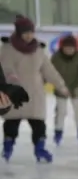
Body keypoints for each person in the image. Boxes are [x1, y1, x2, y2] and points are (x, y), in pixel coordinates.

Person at [1, 15, 67, 164]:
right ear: (19, 33)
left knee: (38, 124)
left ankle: (40, 148)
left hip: (35, 93)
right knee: (11, 123)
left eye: (31, 32)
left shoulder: (38, 49)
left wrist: (61, 86)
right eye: (25, 32)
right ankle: (7, 146)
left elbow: (49, 70)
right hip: (14, 92)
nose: (29, 35)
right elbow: (5, 67)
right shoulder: (7, 48)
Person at [49, 35, 78, 147]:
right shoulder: (56, 58)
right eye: (66, 48)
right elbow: (51, 73)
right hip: (60, 88)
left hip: (75, 88)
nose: (69, 50)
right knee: (61, 111)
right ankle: (58, 132)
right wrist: (59, 86)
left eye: (71, 48)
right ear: (62, 48)